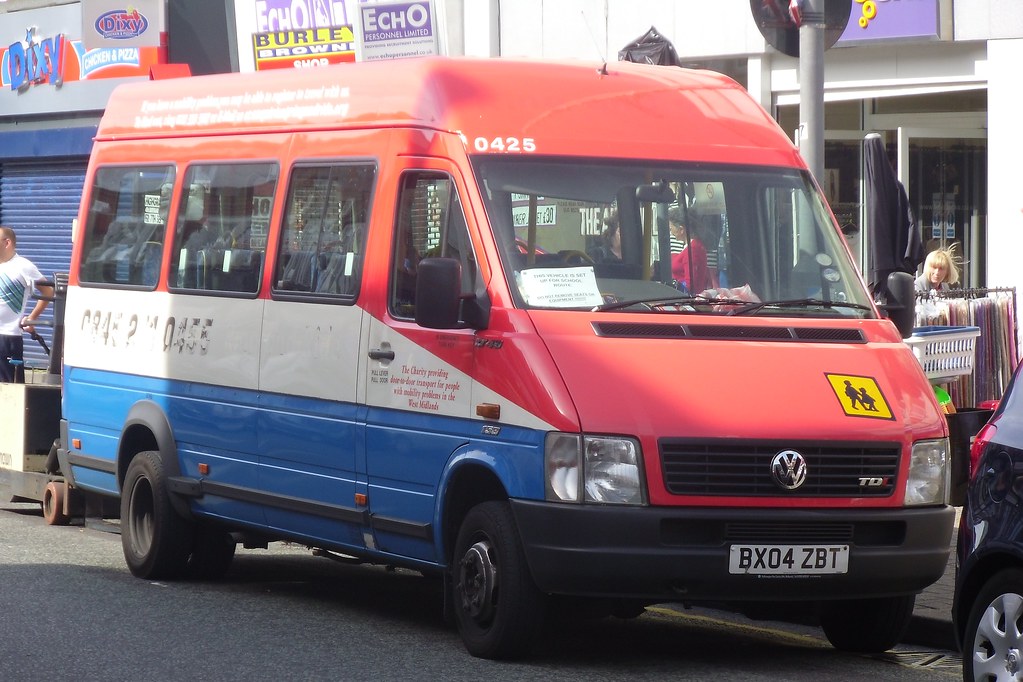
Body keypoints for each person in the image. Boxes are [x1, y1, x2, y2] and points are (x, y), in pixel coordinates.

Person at [0, 226, 53, 383]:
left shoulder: (23, 266)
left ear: (7, 242)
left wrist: (32, 317)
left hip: (7, 336)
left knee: (8, 387)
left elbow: (49, 292)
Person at [668, 208, 710, 293]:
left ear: (681, 229)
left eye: (671, 228)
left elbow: (690, 284)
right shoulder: (694, 246)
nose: (671, 232)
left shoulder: (692, 250)